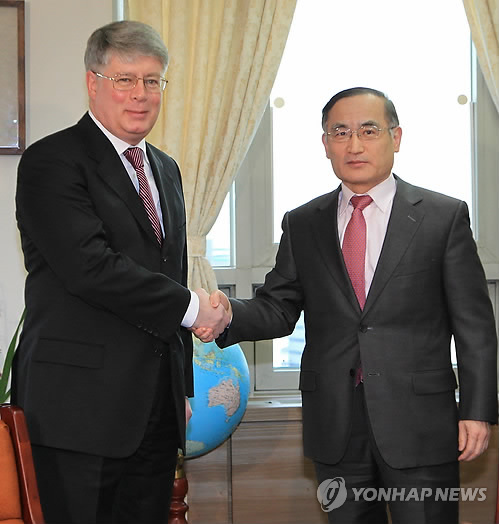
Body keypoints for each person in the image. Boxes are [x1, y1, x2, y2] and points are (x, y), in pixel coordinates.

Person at [195, 87, 498, 523]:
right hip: (335, 422)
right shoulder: (303, 223)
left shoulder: (442, 216)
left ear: (396, 137)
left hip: (420, 422)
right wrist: (228, 314)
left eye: (368, 130)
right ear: (325, 144)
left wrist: (477, 411)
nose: (354, 144)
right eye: (340, 132)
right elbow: (278, 308)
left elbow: (475, 326)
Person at [13, 20, 230, 524]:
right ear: (93, 82)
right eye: (125, 79)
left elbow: (168, 272)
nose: (141, 94)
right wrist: (195, 308)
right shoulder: (53, 161)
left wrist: (179, 389)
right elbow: (91, 268)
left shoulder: (166, 169)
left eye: (152, 80)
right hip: (77, 411)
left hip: (155, 410)